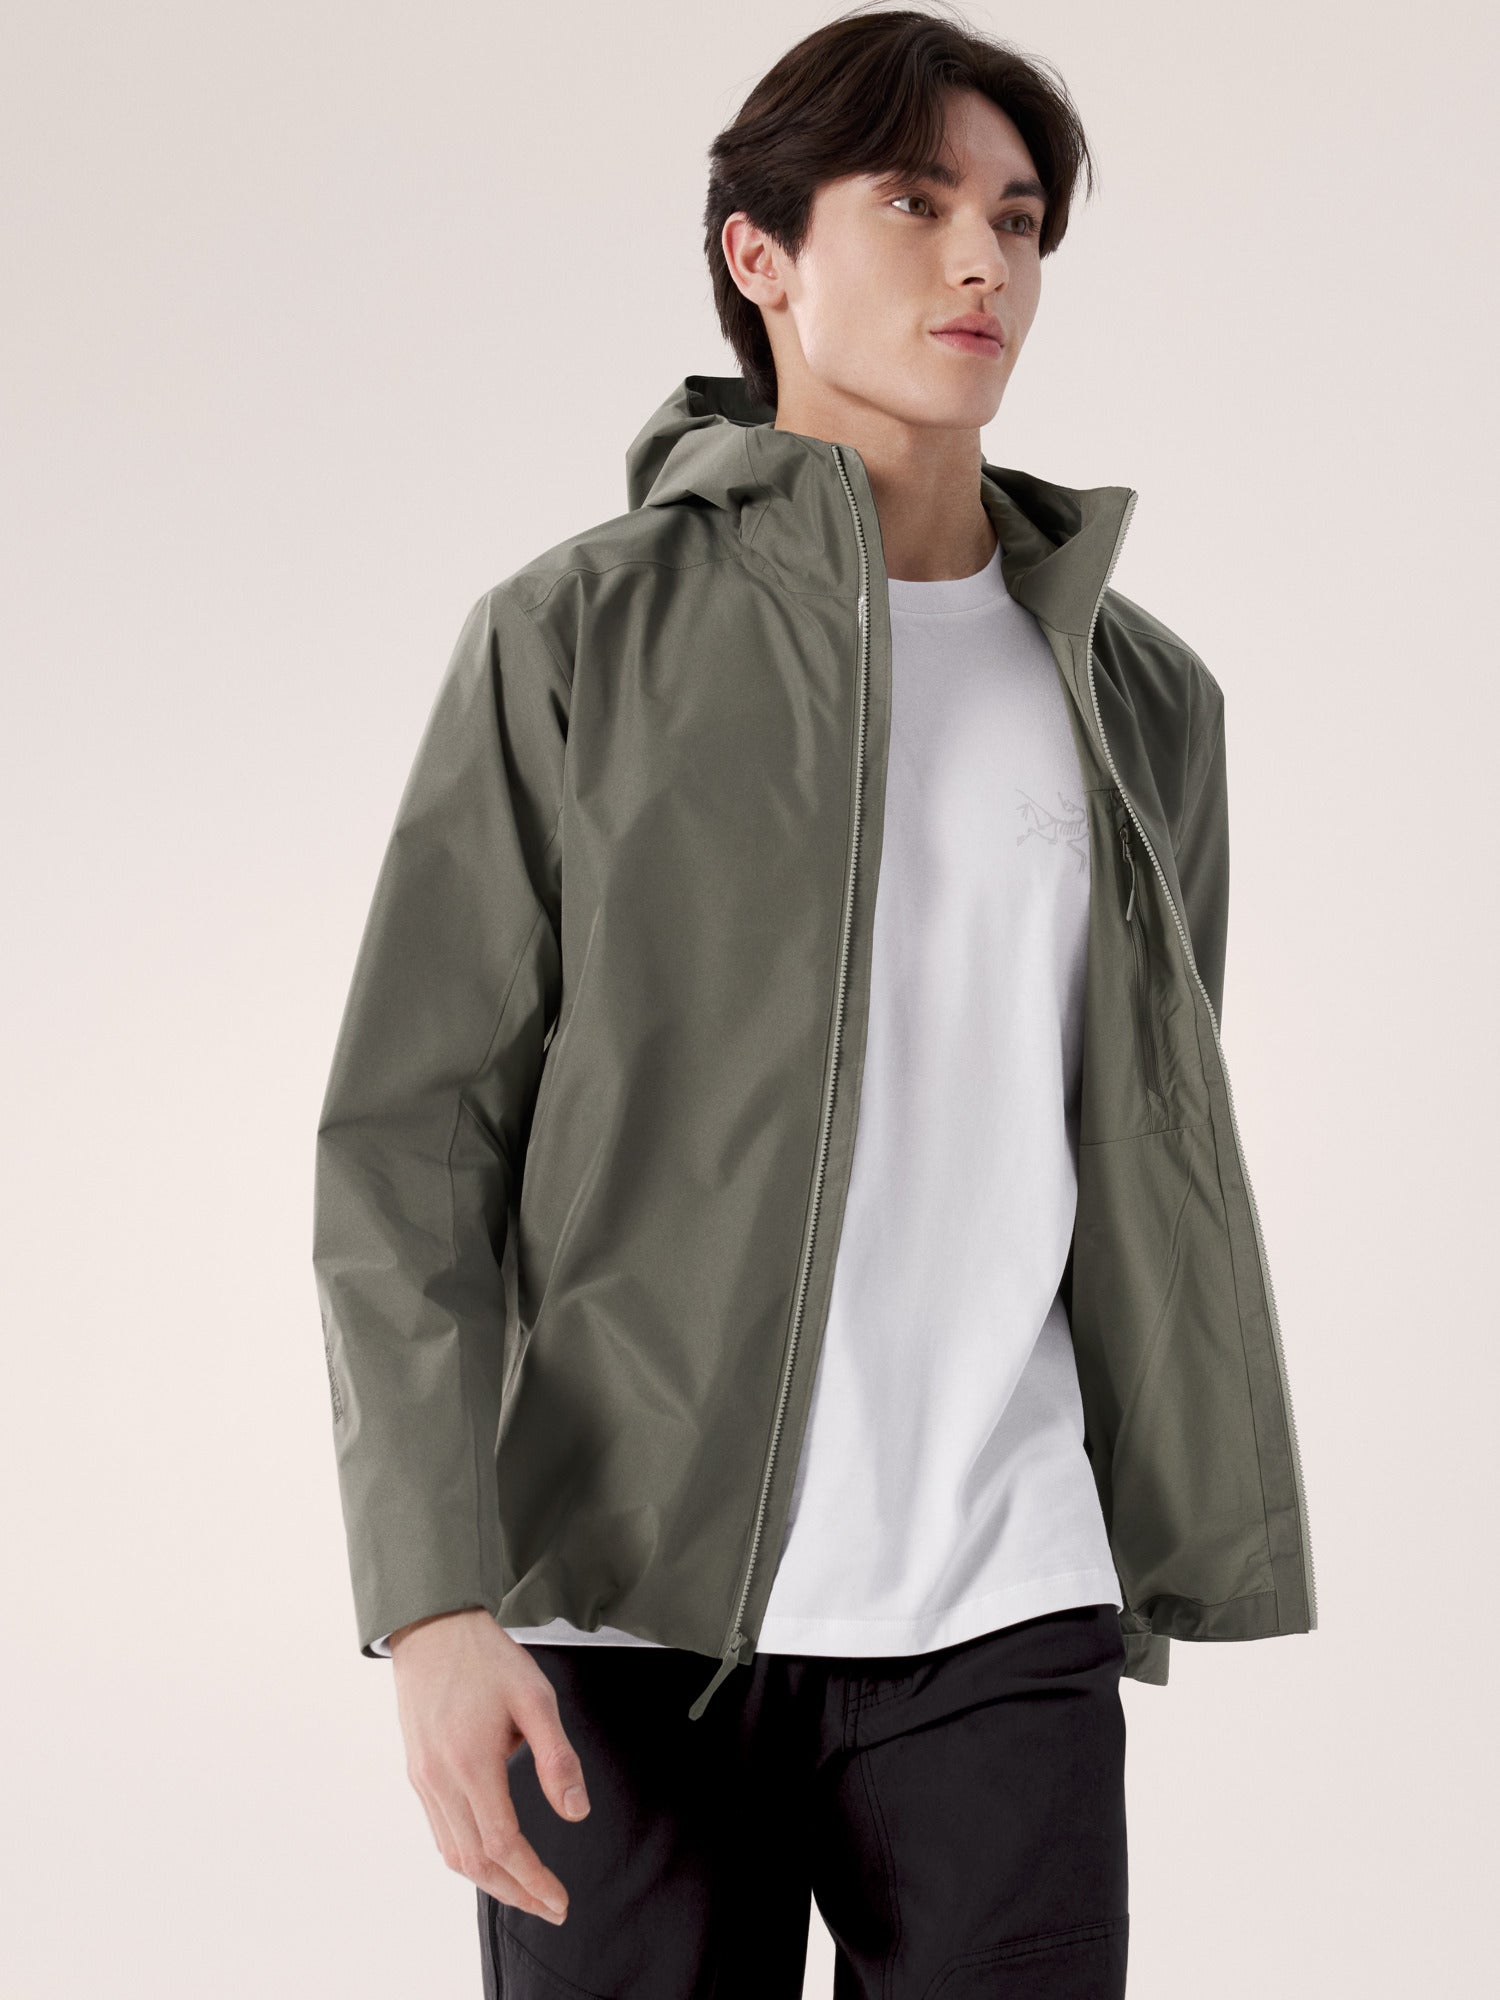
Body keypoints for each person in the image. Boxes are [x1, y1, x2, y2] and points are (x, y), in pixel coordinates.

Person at [311, 7, 1317, 1994]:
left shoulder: (1142, 701)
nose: (984, 262)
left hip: (1003, 1605)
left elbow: (1138, 1134)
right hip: (622, 1613)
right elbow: (410, 1141)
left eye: (1017, 220)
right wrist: (429, 1601)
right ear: (758, 253)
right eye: (918, 205)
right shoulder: (576, 638)